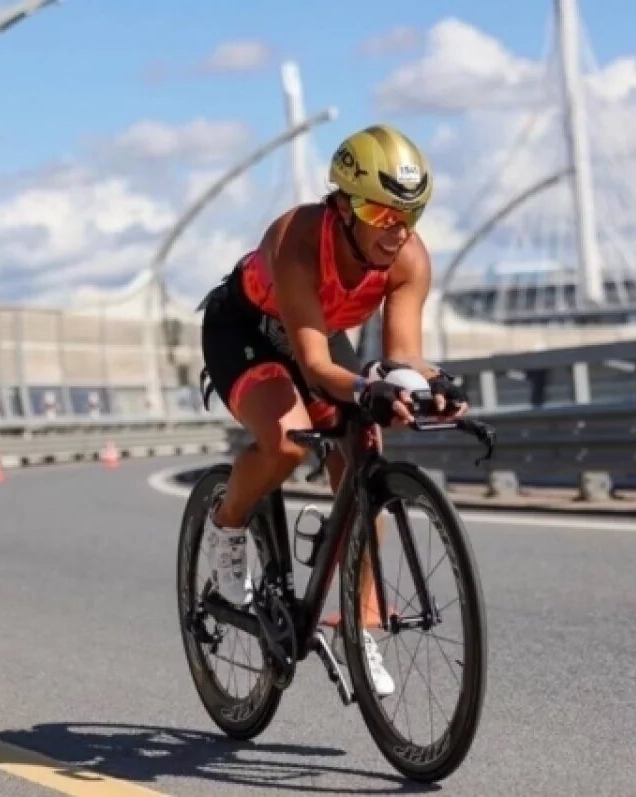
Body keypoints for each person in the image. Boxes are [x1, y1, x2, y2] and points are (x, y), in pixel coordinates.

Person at [197, 123, 468, 697]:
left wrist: (437, 383)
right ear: (343, 205)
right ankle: (227, 530)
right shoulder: (299, 237)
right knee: (291, 440)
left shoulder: (408, 260)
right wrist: (365, 389)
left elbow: (401, 356)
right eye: (383, 215)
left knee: (365, 451)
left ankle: (357, 625)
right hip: (247, 330)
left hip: (317, 337)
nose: (397, 233)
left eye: (411, 216)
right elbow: (317, 366)